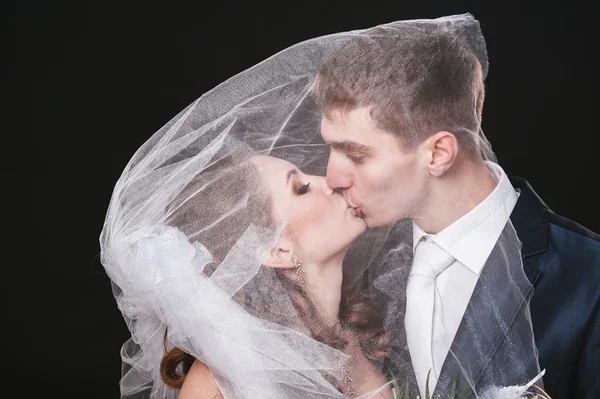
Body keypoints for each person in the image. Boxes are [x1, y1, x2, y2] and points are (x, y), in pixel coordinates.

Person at [313, 13, 600, 399]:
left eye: (356, 155)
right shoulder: (354, 275)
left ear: (438, 153)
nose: (332, 178)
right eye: (330, 148)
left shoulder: (588, 280)